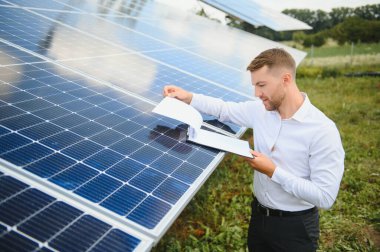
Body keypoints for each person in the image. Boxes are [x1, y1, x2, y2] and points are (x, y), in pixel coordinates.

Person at [163, 48, 345, 252]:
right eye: (255, 85)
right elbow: (225, 110)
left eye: (261, 85)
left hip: (295, 228)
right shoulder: (261, 111)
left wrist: (273, 172)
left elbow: (325, 197)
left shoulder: (322, 130)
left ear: (285, 79)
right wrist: (189, 97)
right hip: (259, 218)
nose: (257, 94)